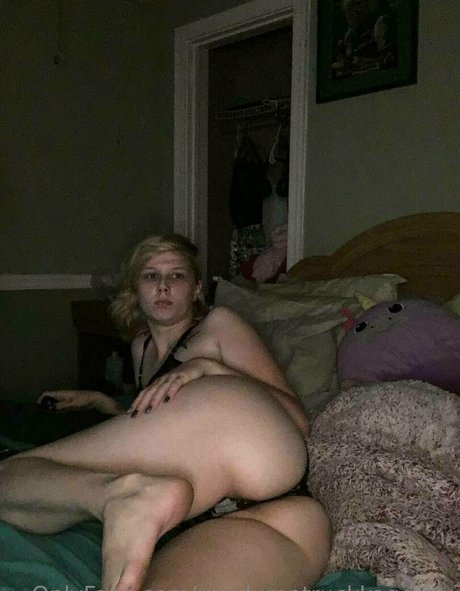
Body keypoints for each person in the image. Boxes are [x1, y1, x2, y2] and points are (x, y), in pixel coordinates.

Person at [0, 234, 331, 591]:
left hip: (266, 464)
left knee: (11, 475)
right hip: (255, 521)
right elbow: (164, 430)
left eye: (177, 275)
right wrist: (104, 403)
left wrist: (210, 368)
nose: (163, 286)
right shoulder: (141, 347)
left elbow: (299, 421)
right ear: (135, 290)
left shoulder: (218, 325)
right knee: (17, 485)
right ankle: (126, 500)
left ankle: (113, 496)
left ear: (196, 288)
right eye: (150, 276)